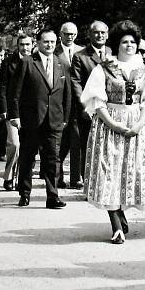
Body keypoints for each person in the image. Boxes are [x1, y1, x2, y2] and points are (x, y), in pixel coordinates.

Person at [81, 20, 145, 243]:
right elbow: (97, 103)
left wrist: (138, 124)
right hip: (109, 124)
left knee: (128, 171)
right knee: (109, 172)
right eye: (125, 42)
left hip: (136, 124)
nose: (129, 46)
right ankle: (115, 222)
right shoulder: (103, 69)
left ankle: (120, 211)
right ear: (117, 45)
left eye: (133, 42)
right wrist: (113, 124)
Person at [8, 27, 72, 209]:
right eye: (46, 41)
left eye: (53, 41)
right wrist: (15, 116)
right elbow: (15, 92)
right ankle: (25, 193)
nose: (50, 45)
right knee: (28, 158)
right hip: (31, 120)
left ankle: (53, 196)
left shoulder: (62, 63)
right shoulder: (28, 62)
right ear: (38, 43)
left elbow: (67, 94)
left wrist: (65, 117)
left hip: (54, 120)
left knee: (53, 159)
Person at [71, 21, 112, 188]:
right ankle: (88, 182)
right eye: (96, 32)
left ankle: (105, 182)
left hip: (110, 108)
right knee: (88, 146)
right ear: (89, 35)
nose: (100, 35)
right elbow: (76, 83)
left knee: (107, 146)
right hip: (89, 109)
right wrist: (85, 107)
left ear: (107, 35)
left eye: (103, 32)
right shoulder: (81, 56)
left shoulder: (112, 53)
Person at [0, 33, 32, 191]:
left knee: (28, 147)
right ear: (17, 46)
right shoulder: (8, 63)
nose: (25, 48)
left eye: (28, 44)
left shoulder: (36, 60)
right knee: (15, 144)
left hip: (31, 111)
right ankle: (9, 176)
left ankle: (22, 179)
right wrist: (3, 109)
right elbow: (3, 87)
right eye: (22, 44)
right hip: (12, 110)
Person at [56, 21, 84, 189]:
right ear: (61, 34)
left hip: (77, 103)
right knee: (60, 142)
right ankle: (57, 176)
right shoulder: (54, 51)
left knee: (77, 141)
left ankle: (76, 178)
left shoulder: (82, 51)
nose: (70, 37)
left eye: (73, 34)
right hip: (59, 102)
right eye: (67, 34)